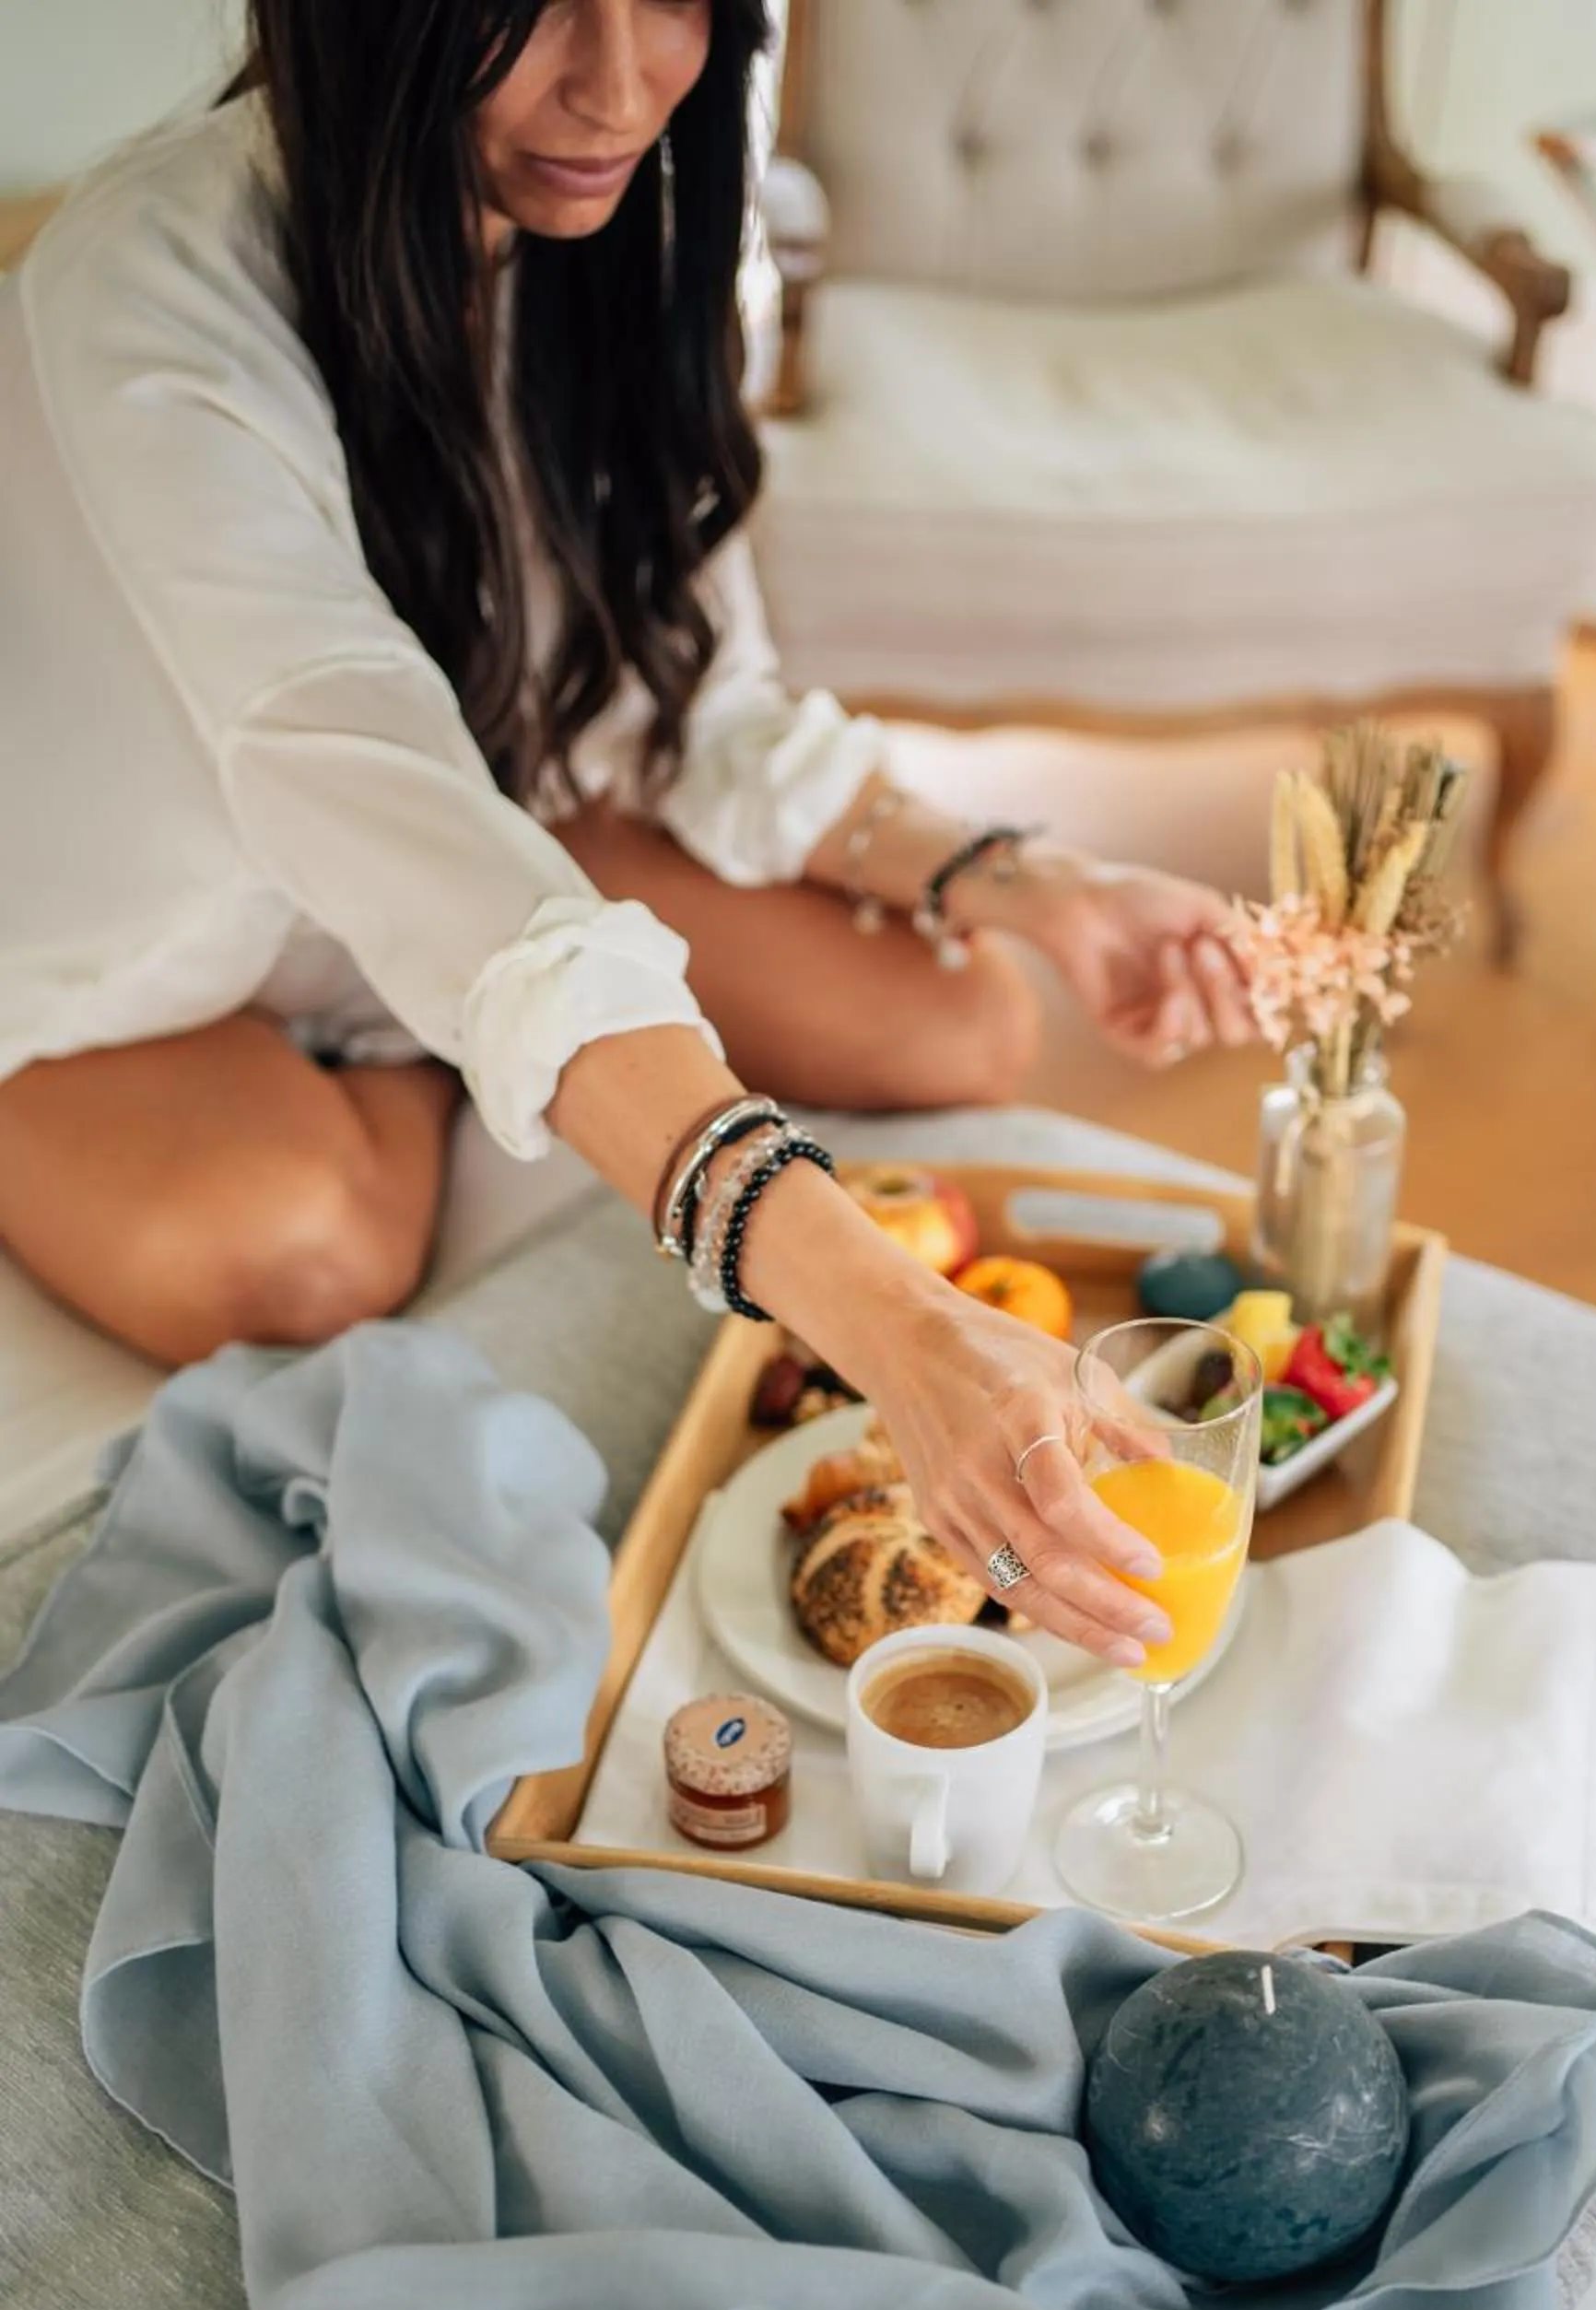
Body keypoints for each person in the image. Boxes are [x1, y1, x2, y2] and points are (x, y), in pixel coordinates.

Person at [0, 0, 1255, 1670]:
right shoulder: (146, 285)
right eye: (528, 12)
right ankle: (474, 1034)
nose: (615, 87)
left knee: (965, 1016)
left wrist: (1036, 880)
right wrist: (880, 1315)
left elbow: (699, 702)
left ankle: (508, 1026)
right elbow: (341, 750)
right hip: (157, 947)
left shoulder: (611, 215)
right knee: (310, 1256)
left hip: (480, 841)